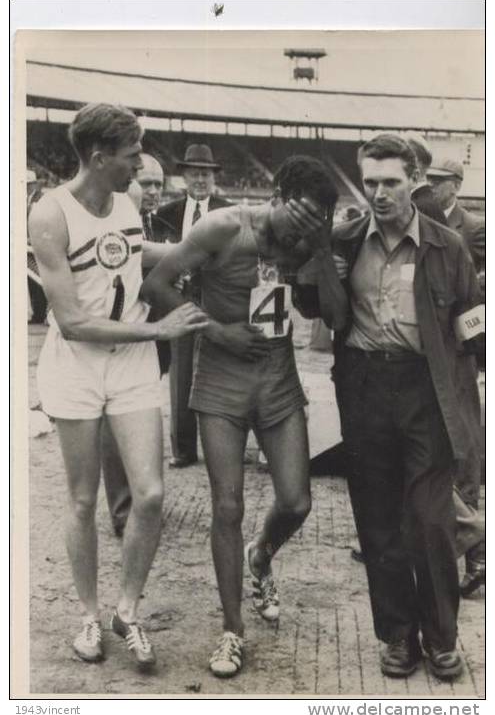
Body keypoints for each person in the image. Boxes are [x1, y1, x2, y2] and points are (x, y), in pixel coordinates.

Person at [142, 155, 347, 678]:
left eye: (315, 221)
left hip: (278, 379)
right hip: (221, 380)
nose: (302, 230)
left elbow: (323, 313)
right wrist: (215, 330)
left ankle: (262, 553)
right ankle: (232, 631)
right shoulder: (223, 226)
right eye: (298, 217)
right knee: (226, 505)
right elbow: (159, 284)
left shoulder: (308, 240)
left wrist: (321, 251)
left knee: (297, 500)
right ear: (275, 195)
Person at [28, 103, 208, 668]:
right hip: (77, 364)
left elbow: (135, 252)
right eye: (132, 156)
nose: (141, 166)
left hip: (129, 365)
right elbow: (72, 321)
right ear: (100, 157)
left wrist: (208, 247)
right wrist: (160, 329)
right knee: (83, 499)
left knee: (150, 494)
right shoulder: (49, 213)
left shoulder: (127, 202)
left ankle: (126, 611)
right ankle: (88, 613)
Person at [331, 134, 483, 681]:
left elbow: (474, 319)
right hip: (366, 388)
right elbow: (316, 304)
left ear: (414, 181)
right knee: (377, 523)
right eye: (370, 182)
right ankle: (397, 636)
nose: (379, 193)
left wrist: (472, 373)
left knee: (430, 520)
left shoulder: (447, 246)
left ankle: (442, 638)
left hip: (428, 390)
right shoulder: (345, 241)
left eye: (390, 182)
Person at [101, 154, 171, 537]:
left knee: (142, 419)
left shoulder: (156, 222)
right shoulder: (114, 225)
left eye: (159, 184)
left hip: (151, 334)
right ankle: (124, 511)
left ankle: (141, 503)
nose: (153, 191)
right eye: (146, 183)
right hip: (120, 337)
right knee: (115, 426)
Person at [426, 155, 486, 597]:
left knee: (465, 447)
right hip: (428, 352)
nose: (432, 185)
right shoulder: (421, 219)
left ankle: (477, 554)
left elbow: (477, 291)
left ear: (456, 185)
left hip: (460, 350)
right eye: (429, 180)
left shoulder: (474, 228)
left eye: (439, 181)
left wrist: (476, 349)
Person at [153, 144, 232, 468]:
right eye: (195, 173)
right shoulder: (165, 214)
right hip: (179, 300)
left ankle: (224, 447)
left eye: (206, 174)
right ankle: (183, 449)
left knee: (221, 373)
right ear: (184, 176)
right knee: (181, 376)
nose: (201, 179)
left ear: (213, 177)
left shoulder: (229, 211)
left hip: (216, 299)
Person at [27, 169, 48, 324]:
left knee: (41, 280)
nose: (26, 187)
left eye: (28, 184)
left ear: (34, 184)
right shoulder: (26, 200)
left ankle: (42, 313)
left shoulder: (41, 200)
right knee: (32, 281)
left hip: (38, 245)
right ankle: (37, 313)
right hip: (27, 245)